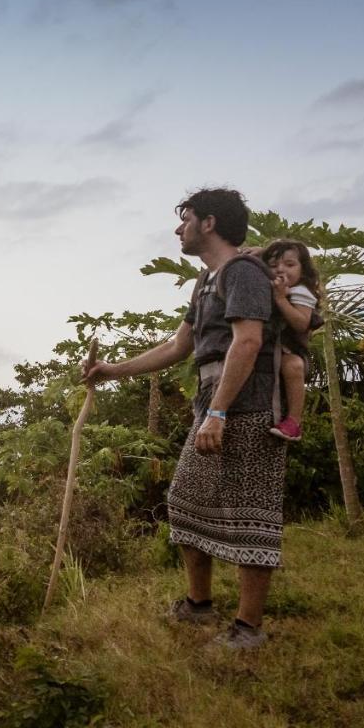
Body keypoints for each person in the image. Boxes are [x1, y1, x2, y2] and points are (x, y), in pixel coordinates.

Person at [84, 187, 284, 650]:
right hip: (211, 404)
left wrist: (219, 413)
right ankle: (199, 605)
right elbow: (180, 346)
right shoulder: (206, 282)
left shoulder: (244, 273)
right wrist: (111, 370)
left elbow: (248, 343)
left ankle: (249, 628)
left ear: (208, 223)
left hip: (248, 407)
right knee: (185, 501)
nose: (179, 228)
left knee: (251, 513)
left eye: (185, 218)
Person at [259, 239, 320, 441]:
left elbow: (301, 323)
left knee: (292, 365)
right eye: (274, 265)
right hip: (269, 351)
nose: (281, 270)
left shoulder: (300, 291)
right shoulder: (267, 286)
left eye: (290, 265)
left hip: (293, 351)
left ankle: (294, 422)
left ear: (303, 270)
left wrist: (281, 300)